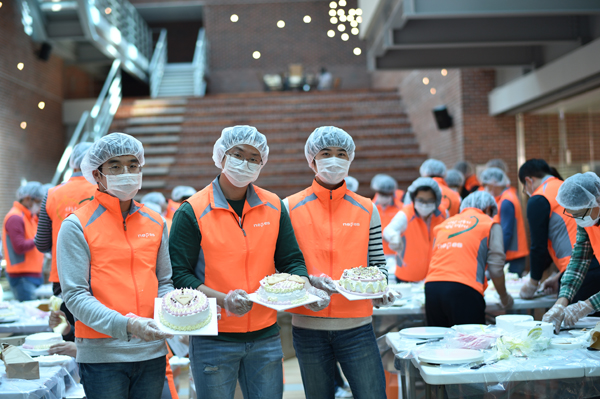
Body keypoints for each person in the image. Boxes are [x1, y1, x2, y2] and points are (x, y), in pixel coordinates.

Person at [169, 125, 328, 399]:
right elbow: (180, 276)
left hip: (264, 335)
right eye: (238, 154)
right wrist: (223, 299)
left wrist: (305, 287)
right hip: (213, 337)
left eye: (254, 158)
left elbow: (291, 260)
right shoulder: (192, 210)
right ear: (221, 155)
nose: (246, 163)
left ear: (262, 163)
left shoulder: (274, 205)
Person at [57, 133, 173, 399]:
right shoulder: (77, 225)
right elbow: (75, 295)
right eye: (115, 166)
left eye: (133, 165)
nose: (126, 172)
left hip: (151, 351)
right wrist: (128, 326)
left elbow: (164, 281)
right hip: (102, 357)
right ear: (97, 175)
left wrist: (176, 313)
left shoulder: (155, 222)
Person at [285, 126, 393, 399]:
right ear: (312, 159)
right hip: (308, 327)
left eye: (341, 153)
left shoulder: (366, 207)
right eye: (326, 153)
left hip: (357, 326)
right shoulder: (289, 207)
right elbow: (282, 265)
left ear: (350, 158)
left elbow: (378, 261)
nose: (334, 160)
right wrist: (308, 283)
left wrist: (382, 287)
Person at [426, 191, 513, 327]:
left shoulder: (444, 224)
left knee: (439, 344)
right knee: (470, 345)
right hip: (465, 290)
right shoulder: (489, 223)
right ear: (489, 209)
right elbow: (496, 269)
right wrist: (504, 297)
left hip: (432, 287)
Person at [35, 142, 95, 296]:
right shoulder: (104, 190)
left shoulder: (52, 193)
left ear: (73, 163)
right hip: (98, 273)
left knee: (66, 320)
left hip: (62, 274)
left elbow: (41, 242)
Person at [542, 173, 600, 333]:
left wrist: (587, 305)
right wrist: (561, 302)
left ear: (597, 200)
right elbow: (578, 260)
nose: (578, 220)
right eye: (573, 215)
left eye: (580, 214)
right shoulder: (588, 218)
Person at [518, 159, 580, 299]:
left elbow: (538, 246)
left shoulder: (539, 198)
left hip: (576, 271)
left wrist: (533, 283)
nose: (526, 191)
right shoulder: (564, 186)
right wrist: (559, 276)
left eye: (524, 186)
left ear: (529, 180)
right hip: (587, 265)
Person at [383, 178, 447, 282]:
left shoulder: (443, 214)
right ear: (414, 199)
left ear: (436, 200)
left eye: (429, 200)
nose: (425, 205)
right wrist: (394, 237)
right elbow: (388, 230)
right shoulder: (406, 214)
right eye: (421, 200)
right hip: (406, 276)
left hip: (434, 276)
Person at [480, 167, 529, 276]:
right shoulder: (508, 196)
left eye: (485, 185)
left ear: (493, 183)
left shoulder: (506, 201)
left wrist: (498, 256)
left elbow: (506, 232)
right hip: (514, 254)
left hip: (512, 257)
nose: (484, 188)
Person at [2, 182, 45, 301]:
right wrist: (40, 238)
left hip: (32, 274)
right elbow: (19, 246)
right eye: (38, 201)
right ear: (27, 199)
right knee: (30, 316)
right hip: (22, 277)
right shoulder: (15, 217)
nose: (39, 204)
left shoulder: (29, 217)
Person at [371, 174, 403, 258]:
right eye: (382, 194)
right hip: (375, 254)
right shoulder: (369, 208)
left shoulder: (401, 209)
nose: (385, 197)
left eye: (388, 194)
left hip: (395, 254)